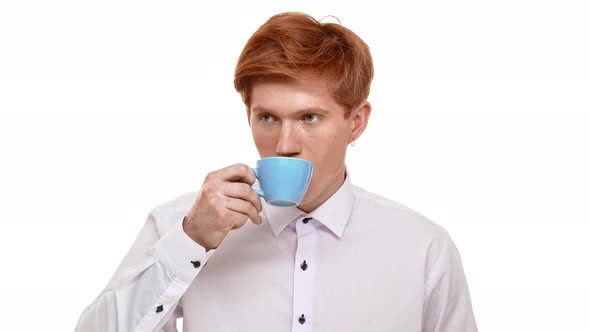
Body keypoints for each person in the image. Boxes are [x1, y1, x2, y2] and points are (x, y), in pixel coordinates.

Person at [75, 12, 478, 332]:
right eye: (267, 117)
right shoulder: (180, 224)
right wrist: (189, 241)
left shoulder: (423, 248)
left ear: (356, 122)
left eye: (309, 117)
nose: (285, 143)